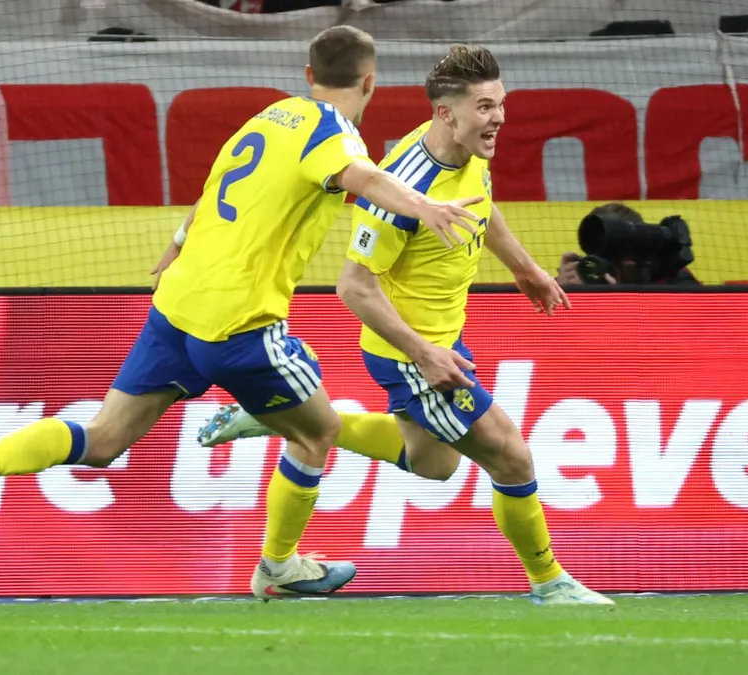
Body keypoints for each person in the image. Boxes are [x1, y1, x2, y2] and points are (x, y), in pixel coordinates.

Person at [0, 25, 484, 602]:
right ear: (371, 82)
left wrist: (178, 242)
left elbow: (215, 188)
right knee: (318, 433)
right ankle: (279, 566)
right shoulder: (335, 134)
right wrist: (425, 206)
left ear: (309, 75)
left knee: (103, 439)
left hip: (177, 307)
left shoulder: (268, 118)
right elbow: (365, 177)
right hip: (239, 323)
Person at [197, 44, 614, 606]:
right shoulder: (399, 191)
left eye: (500, 104)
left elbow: (480, 206)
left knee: (435, 464)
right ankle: (550, 582)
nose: (498, 118)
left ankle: (284, 418)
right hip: (410, 351)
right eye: (486, 107)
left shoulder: (468, 148)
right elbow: (354, 288)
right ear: (446, 113)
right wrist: (424, 353)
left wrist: (524, 268)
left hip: (441, 338)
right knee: (510, 454)